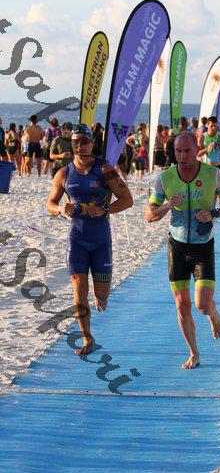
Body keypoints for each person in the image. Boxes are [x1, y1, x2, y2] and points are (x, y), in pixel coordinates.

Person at [146, 131, 220, 369]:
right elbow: (150, 215)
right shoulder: (165, 178)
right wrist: (168, 205)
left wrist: (214, 213)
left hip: (203, 248)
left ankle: (212, 312)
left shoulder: (213, 175)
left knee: (202, 305)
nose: (182, 156)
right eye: (178, 151)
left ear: (197, 150)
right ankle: (194, 353)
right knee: (182, 305)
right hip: (176, 247)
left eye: (187, 151)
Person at [46, 123, 133, 355]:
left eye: (85, 142)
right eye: (76, 142)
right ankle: (87, 338)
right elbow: (50, 203)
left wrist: (105, 210)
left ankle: (99, 294)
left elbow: (127, 199)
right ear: (72, 144)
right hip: (77, 240)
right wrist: (60, 209)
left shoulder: (105, 170)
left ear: (92, 143)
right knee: (78, 289)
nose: (81, 146)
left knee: (102, 296)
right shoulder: (64, 174)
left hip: (101, 240)